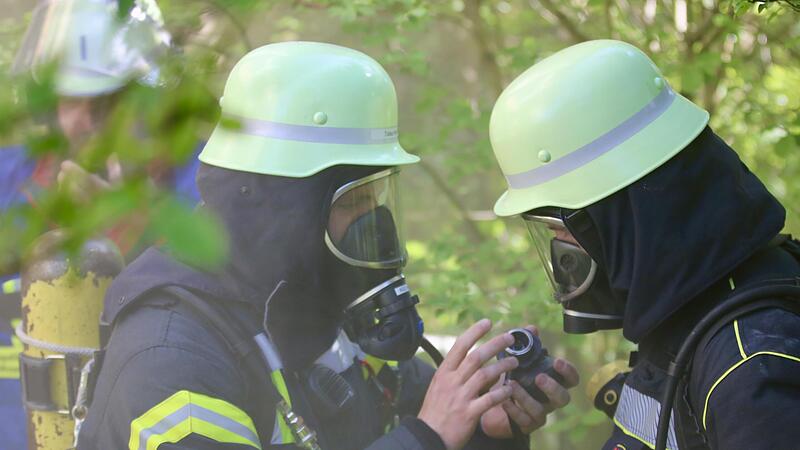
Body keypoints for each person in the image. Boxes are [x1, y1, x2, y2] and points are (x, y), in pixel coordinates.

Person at [76, 41, 579, 450]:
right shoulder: (172, 355)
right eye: (352, 201)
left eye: (377, 197)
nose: (374, 225)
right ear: (280, 207)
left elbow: (437, 423)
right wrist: (424, 439)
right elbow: (426, 432)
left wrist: (487, 433)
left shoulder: (319, 318)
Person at [487, 39, 800, 450]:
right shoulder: (689, 321)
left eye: (558, 229)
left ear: (618, 216)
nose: (561, 254)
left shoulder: (750, 368)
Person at [0, 2, 195, 448]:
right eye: (72, 97)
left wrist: (138, 235)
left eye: (113, 101)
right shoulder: (9, 182)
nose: (87, 123)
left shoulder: (213, 184)